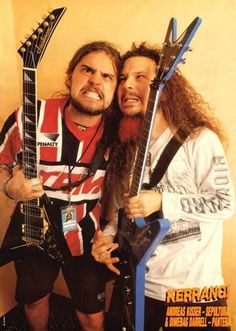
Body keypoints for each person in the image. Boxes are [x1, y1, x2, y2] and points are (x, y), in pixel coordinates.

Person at [92, 42, 235, 330]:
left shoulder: (199, 139)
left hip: (194, 293)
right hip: (137, 285)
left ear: (165, 87)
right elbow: (124, 210)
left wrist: (162, 201)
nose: (127, 85)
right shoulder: (128, 149)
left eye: (141, 77)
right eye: (122, 78)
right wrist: (106, 238)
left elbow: (225, 203)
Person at [0, 41, 121, 331]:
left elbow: (128, 190)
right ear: (70, 76)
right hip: (34, 223)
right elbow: (1, 162)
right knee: (34, 299)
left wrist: (112, 231)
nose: (95, 81)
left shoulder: (120, 133)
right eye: (87, 70)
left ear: (116, 88)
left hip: (87, 232)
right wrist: (9, 188)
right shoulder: (28, 117)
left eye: (107, 76)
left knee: (91, 311)